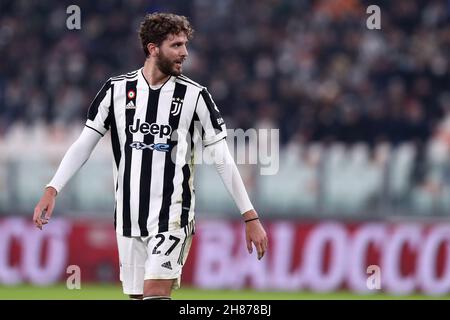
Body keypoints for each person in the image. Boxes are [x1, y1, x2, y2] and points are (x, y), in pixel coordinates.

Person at [33, 12, 267, 300]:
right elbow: (84, 144)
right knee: (137, 298)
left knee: (155, 293)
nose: (185, 53)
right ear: (153, 49)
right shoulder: (115, 90)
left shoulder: (196, 97)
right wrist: (52, 187)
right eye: (176, 45)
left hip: (172, 218)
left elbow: (222, 158)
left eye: (185, 45)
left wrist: (250, 216)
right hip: (128, 219)